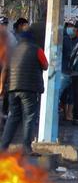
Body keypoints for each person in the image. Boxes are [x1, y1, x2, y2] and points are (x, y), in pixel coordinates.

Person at [0, 24, 48, 155]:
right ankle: (27, 147)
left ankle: (3, 146)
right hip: (29, 89)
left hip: (12, 88)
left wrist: (2, 87)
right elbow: (45, 65)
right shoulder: (37, 50)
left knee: (13, 117)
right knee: (29, 117)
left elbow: (5, 69)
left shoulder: (12, 51)